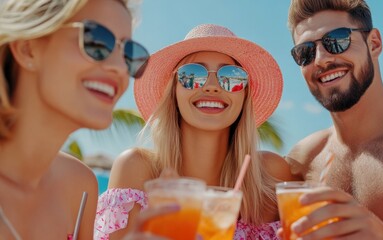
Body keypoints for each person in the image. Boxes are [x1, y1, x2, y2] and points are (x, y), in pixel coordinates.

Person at [94, 24, 292, 239]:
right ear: (174, 92)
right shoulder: (137, 168)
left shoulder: (271, 174)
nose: (211, 86)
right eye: (193, 74)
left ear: (244, 96)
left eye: (232, 76)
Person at [0, 0, 149, 239]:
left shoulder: (80, 187)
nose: (119, 68)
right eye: (96, 42)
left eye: (128, 54)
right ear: (27, 48)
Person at [282, 0, 383, 239]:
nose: (320, 59)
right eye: (305, 52)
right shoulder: (303, 161)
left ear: (374, 43)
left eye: (338, 40)